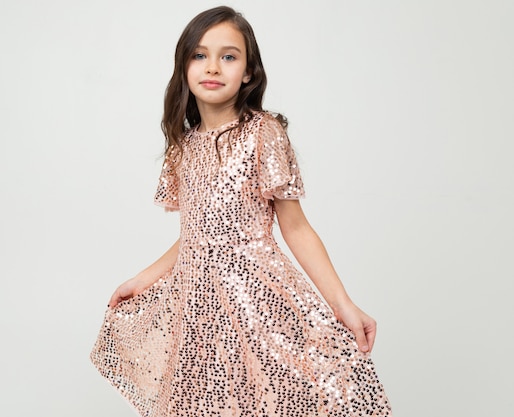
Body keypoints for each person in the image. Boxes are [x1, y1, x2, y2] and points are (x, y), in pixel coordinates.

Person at [91, 5, 392, 417]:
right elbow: (198, 232)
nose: (212, 66)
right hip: (196, 305)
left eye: (228, 56)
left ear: (248, 72)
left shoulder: (262, 132)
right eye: (199, 55)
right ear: (183, 68)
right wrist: (142, 278)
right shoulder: (184, 146)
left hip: (254, 300)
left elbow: (297, 228)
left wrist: (343, 304)